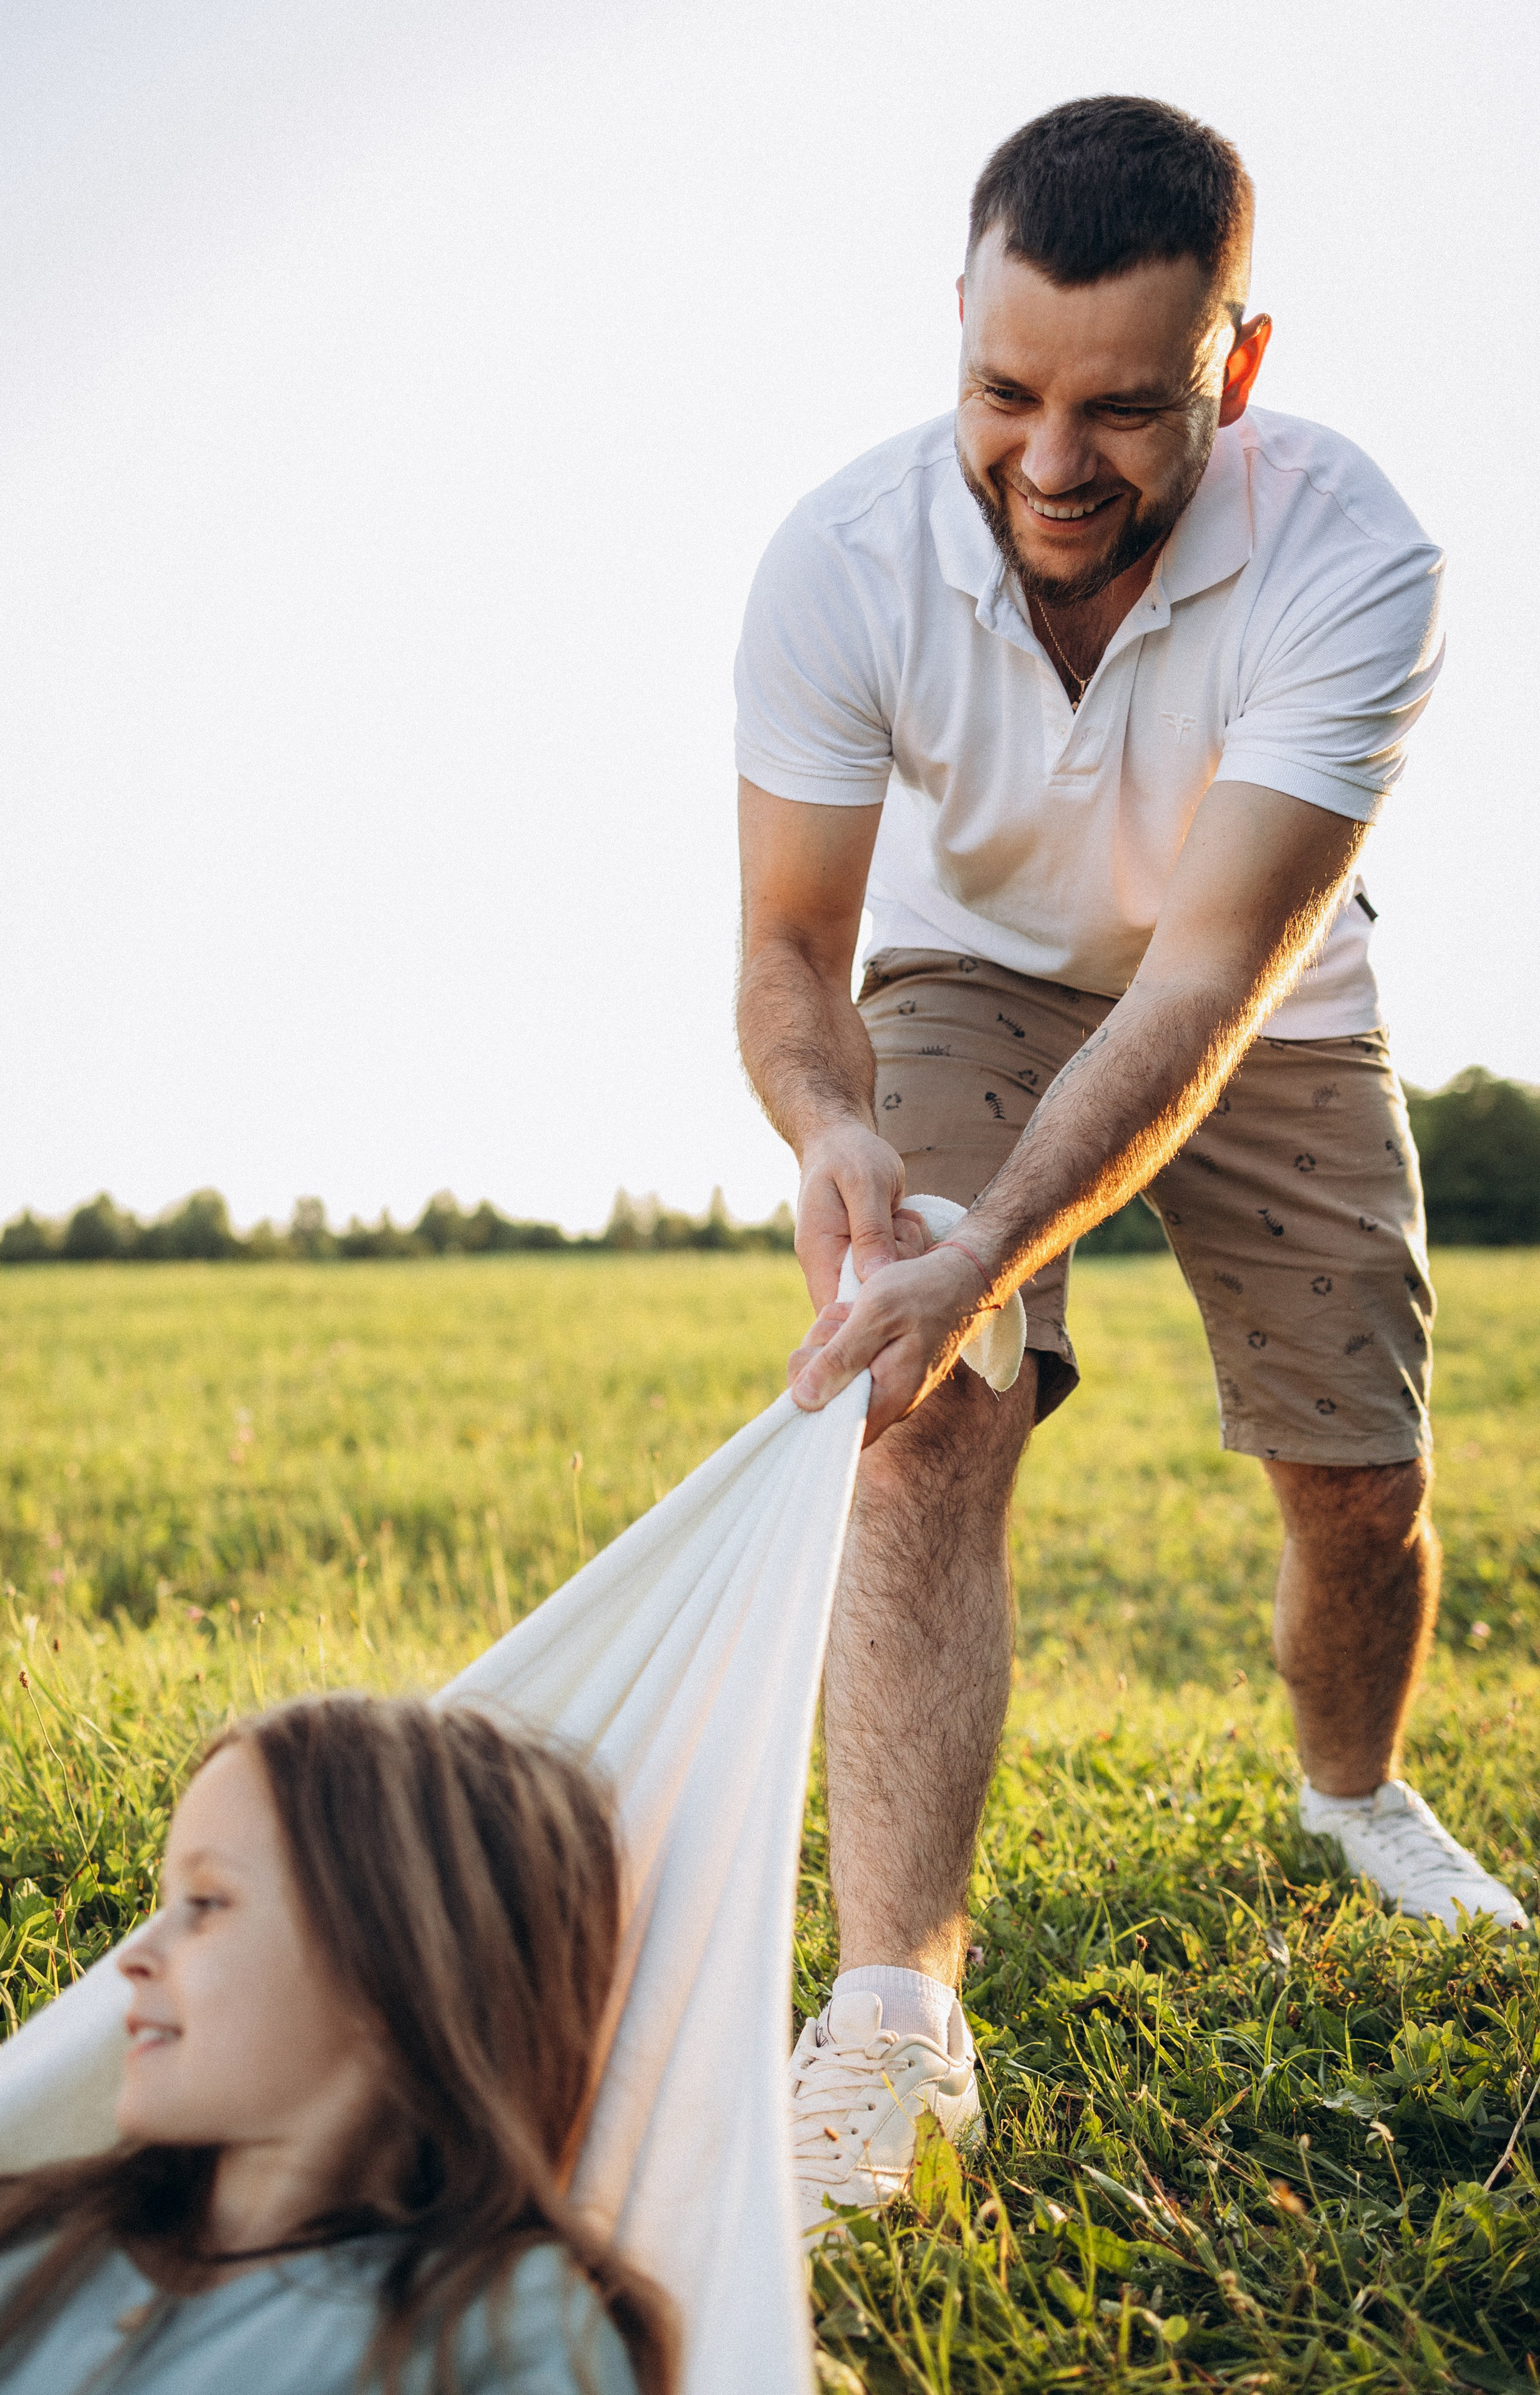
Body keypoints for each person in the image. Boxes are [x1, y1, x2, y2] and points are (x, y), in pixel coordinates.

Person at [733, 95, 1528, 2236]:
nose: (1051, 460)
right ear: (957, 341)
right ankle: (894, 2011)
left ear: (1235, 369)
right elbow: (793, 951)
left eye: (1121, 407)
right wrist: (833, 1129)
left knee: (1361, 1478)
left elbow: (1195, 999)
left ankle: (1354, 1801)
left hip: (1253, 998)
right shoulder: (841, 557)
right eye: (1004, 392)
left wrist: (993, 1237)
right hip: (963, 967)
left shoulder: (1361, 559)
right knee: (925, 1412)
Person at [0, 1695, 675, 2393]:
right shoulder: (6, 2240)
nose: (131, 1960)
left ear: (387, 1970)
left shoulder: (490, 2331)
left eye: (206, 1905)